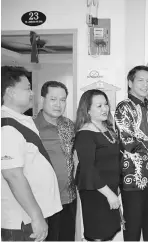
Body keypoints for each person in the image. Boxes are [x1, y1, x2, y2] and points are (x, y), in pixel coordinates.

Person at [1, 66, 62, 241]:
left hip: (31, 216)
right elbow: (12, 174)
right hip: (22, 220)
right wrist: (36, 216)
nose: (32, 93)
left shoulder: (21, 120)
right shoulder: (7, 125)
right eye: (27, 88)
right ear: (10, 92)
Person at [114, 65, 148, 241]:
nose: (145, 85)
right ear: (130, 83)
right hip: (133, 178)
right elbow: (128, 141)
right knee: (133, 230)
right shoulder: (123, 107)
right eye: (140, 80)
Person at [74, 89, 122, 241]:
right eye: (99, 106)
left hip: (110, 189)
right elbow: (89, 168)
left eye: (106, 104)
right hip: (96, 192)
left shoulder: (107, 129)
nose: (105, 109)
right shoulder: (85, 134)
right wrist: (109, 194)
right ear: (87, 110)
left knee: (108, 232)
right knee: (97, 234)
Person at [33, 81, 77, 241]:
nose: (58, 104)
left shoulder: (69, 125)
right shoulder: (31, 127)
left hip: (68, 198)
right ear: (42, 99)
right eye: (53, 99)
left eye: (63, 100)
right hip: (42, 201)